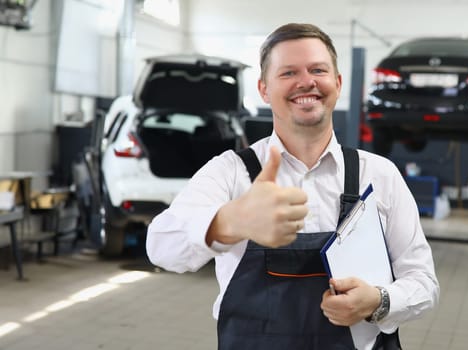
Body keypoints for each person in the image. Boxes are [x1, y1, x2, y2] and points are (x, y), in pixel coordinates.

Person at [146, 23, 439, 350]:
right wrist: (230, 222)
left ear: (338, 83)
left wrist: (379, 301)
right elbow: (160, 246)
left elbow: (424, 283)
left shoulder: (380, 175)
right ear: (263, 89)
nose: (306, 82)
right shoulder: (230, 173)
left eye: (318, 70)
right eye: (288, 73)